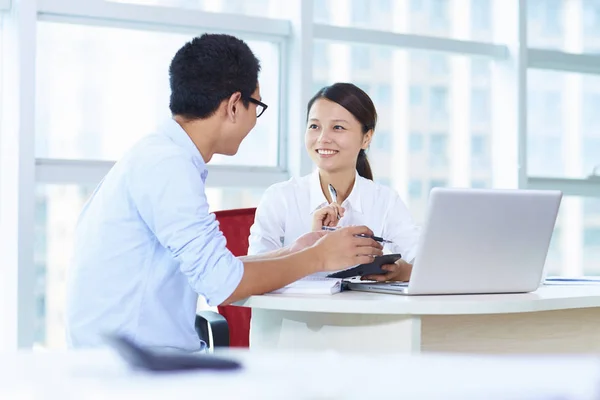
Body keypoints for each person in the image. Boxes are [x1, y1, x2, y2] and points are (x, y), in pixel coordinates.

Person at [65, 35, 383, 352]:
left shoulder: (159, 155)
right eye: (256, 106)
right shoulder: (168, 166)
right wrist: (319, 257)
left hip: (138, 358)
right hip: (138, 370)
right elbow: (223, 283)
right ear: (233, 105)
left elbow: (216, 267)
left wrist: (296, 250)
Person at [248, 83, 420, 282]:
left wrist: (401, 271)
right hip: (294, 313)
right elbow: (253, 273)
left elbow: (425, 263)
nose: (323, 138)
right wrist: (311, 250)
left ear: (366, 138)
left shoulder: (385, 200)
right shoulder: (280, 197)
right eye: (314, 126)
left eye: (338, 127)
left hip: (362, 312)